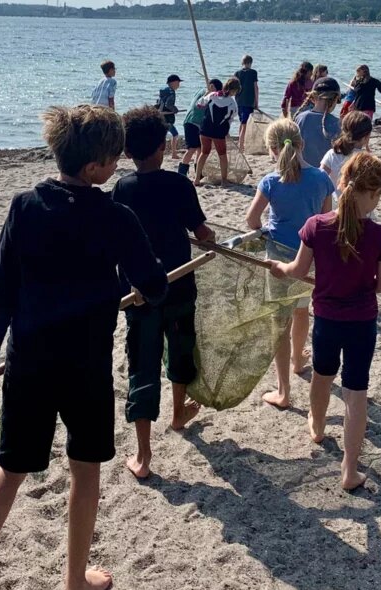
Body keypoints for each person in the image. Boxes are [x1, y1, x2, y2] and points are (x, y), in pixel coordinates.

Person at [0, 105, 168, 590]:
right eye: (112, 158)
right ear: (96, 169)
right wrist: (136, 291)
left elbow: (1, 293)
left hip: (29, 362)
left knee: (9, 468)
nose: (115, 166)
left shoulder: (25, 207)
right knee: (85, 471)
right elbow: (154, 285)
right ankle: (75, 585)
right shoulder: (115, 218)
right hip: (84, 367)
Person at [268, 152, 381, 490]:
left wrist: (278, 269)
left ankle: (318, 426)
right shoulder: (379, 235)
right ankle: (349, 471)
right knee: (356, 392)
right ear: (374, 194)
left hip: (326, 319)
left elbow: (297, 271)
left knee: (322, 376)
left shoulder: (316, 226)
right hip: (362, 322)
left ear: (341, 185)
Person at [112, 106, 217, 480]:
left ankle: (144, 455)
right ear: (161, 148)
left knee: (143, 363)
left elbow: (116, 242)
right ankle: (175, 414)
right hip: (178, 286)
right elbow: (202, 232)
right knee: (180, 348)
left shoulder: (122, 188)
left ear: (128, 152)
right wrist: (212, 240)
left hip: (139, 293)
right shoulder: (178, 185)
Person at [245, 118, 334, 409]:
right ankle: (298, 360)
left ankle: (284, 391)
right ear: (302, 144)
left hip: (278, 259)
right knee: (301, 310)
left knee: (279, 322)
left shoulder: (271, 182)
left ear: (273, 150)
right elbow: (325, 221)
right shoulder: (322, 179)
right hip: (308, 258)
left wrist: (266, 228)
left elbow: (251, 219)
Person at [194, 77, 241, 187]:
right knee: (222, 155)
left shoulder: (212, 95)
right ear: (234, 90)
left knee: (204, 153)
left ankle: (196, 179)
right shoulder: (232, 104)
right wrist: (227, 131)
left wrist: (208, 93)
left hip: (205, 128)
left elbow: (199, 104)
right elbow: (230, 118)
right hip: (219, 132)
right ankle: (224, 181)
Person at [320, 111, 374, 197]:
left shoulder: (332, 154)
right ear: (365, 137)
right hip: (359, 206)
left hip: (335, 205)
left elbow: (320, 178)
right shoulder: (367, 159)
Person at [294, 76, 343, 168]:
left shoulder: (300, 118)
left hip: (301, 171)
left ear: (313, 98)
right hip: (325, 176)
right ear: (335, 99)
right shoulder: (338, 124)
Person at [178, 78, 222, 177]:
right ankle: (181, 172)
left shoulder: (211, 95)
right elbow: (197, 106)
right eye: (215, 90)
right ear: (211, 86)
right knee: (192, 148)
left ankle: (198, 172)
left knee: (200, 149)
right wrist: (208, 93)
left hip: (200, 124)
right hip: (191, 122)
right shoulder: (204, 93)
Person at [234, 55, 260, 151]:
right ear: (250, 63)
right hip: (249, 101)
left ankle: (240, 142)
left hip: (239, 101)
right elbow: (255, 88)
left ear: (242, 62)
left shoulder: (237, 73)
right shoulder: (253, 72)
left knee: (242, 121)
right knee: (245, 123)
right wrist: (257, 103)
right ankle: (241, 144)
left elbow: (234, 87)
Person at [158, 74, 183, 160]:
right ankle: (173, 153)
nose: (179, 85)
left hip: (160, 115)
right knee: (175, 134)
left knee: (162, 135)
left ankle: (161, 153)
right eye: (178, 83)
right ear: (173, 82)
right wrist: (174, 109)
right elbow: (168, 104)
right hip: (167, 117)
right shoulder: (171, 92)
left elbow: (159, 103)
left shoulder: (163, 90)